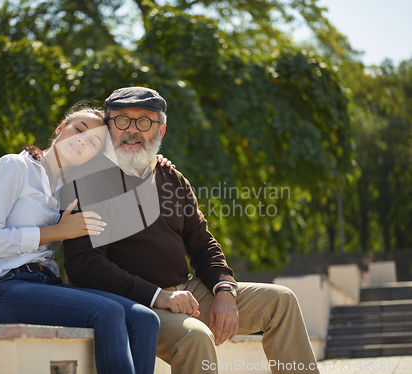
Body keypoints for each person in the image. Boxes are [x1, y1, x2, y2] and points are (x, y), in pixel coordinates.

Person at [62, 88, 321, 374]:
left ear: (161, 128)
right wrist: (158, 295)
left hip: (186, 293)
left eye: (144, 121)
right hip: (134, 302)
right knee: (195, 337)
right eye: (122, 120)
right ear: (109, 126)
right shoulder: (89, 180)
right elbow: (83, 265)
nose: (132, 130)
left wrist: (224, 290)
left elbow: (202, 243)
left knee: (279, 302)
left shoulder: (171, 177)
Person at [0, 104, 164, 374]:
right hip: (0, 288)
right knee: (107, 313)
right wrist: (57, 232)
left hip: (45, 284)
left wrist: (156, 162)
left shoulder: (72, 190)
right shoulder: (15, 166)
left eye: (94, 143)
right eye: (79, 130)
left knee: (145, 319)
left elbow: (126, 174)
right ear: (61, 129)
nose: (82, 141)